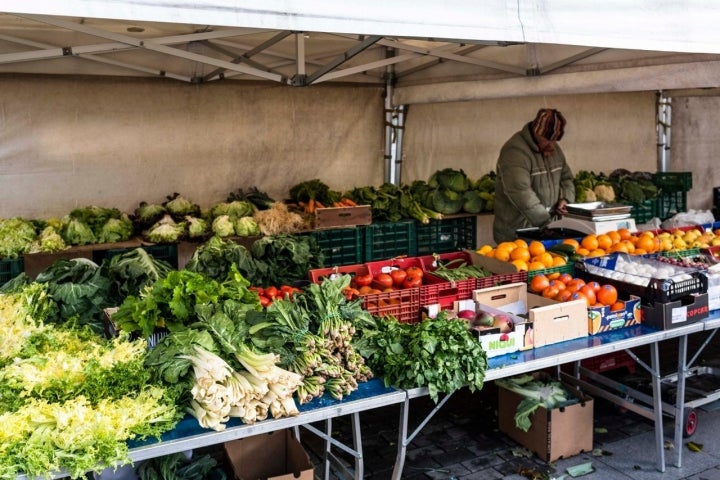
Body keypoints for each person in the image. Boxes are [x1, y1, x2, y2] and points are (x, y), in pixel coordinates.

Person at [492, 108, 576, 244]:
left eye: (555, 140)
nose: (552, 145)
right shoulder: (515, 152)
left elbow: (566, 178)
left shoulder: (553, 149)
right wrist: (547, 224)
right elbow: (521, 192)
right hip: (517, 234)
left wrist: (566, 198)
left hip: (543, 232)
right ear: (537, 132)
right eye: (548, 139)